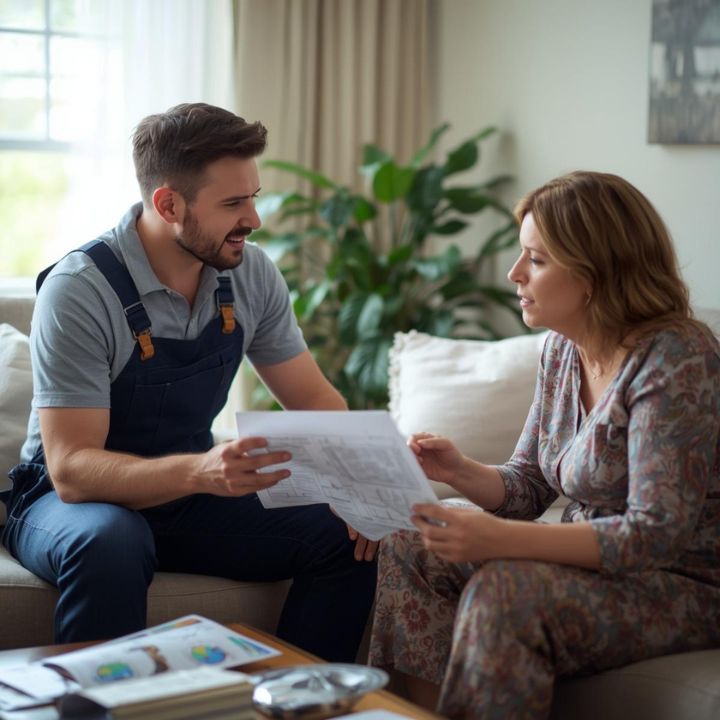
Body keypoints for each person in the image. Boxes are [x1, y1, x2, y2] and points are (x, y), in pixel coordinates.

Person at [0, 103, 377, 661]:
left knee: (343, 537)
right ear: (168, 203)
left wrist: (363, 491)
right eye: (232, 203)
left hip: (186, 491)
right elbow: (74, 469)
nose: (254, 218)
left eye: (252, 196)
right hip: (64, 500)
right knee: (111, 540)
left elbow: (314, 398)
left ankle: (296, 700)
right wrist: (202, 470)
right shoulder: (80, 289)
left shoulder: (250, 272)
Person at [368, 170, 720, 719]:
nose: (514, 274)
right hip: (594, 569)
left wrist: (501, 540)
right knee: (412, 541)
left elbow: (653, 536)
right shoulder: (561, 348)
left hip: (682, 584)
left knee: (506, 590)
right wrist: (459, 471)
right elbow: (528, 485)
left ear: (595, 273)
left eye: (536, 259)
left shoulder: (677, 357)